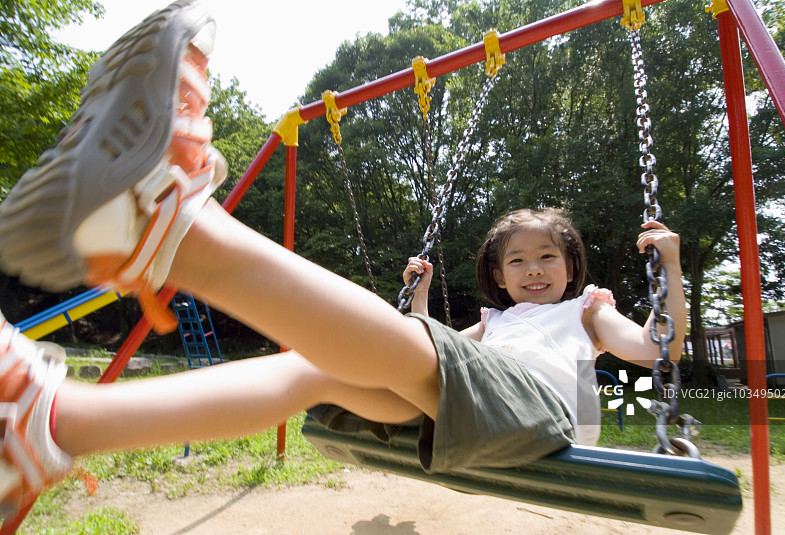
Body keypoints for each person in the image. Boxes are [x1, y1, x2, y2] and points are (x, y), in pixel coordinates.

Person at [0, 0, 687, 530]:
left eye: (548, 258)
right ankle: (47, 423)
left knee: (406, 355)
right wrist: (415, 295)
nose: (534, 270)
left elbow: (663, 347)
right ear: (498, 276)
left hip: (543, 412)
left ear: (572, 267)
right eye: (518, 261)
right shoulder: (496, 323)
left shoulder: (587, 310)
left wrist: (672, 266)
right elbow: (423, 350)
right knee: (314, 369)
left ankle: (177, 231)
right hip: (473, 402)